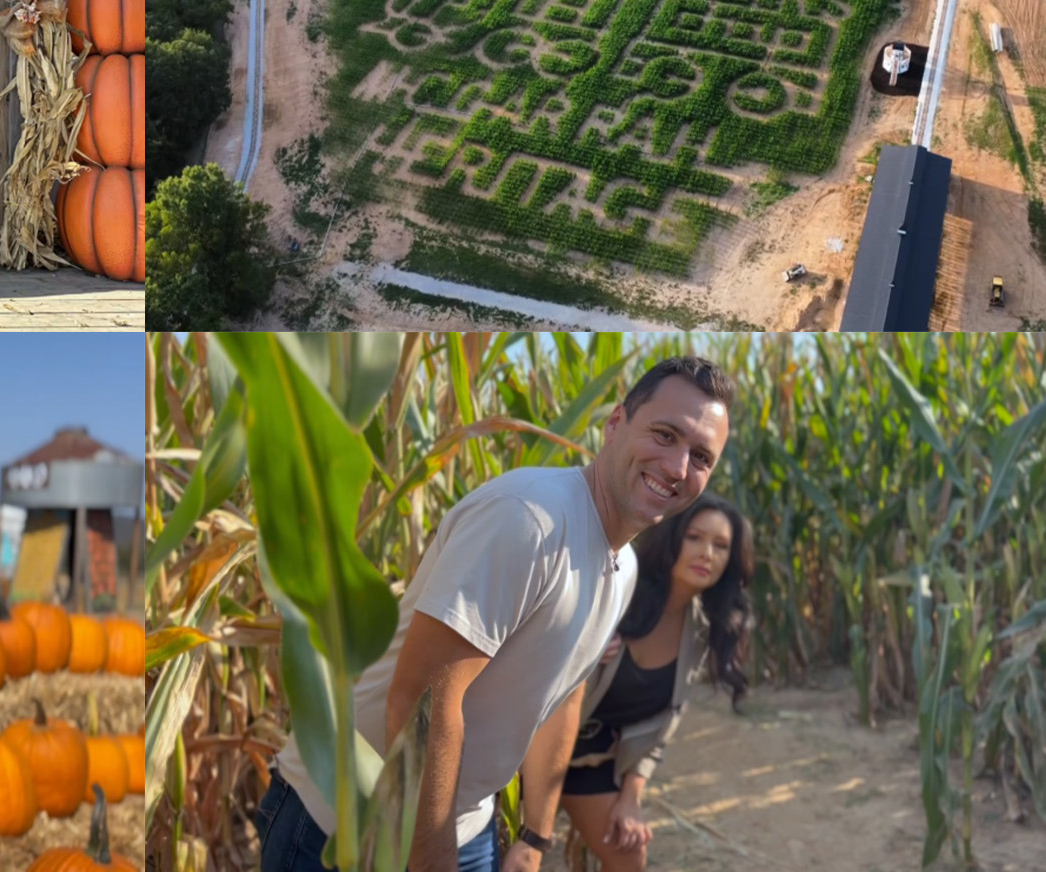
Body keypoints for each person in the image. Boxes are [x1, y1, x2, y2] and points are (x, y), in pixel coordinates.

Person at [257, 357, 735, 872]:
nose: (678, 467)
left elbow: (563, 692)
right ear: (615, 423)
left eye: (701, 457)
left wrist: (535, 834)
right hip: (343, 823)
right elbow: (422, 706)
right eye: (665, 435)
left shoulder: (624, 569)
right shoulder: (528, 521)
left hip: (460, 824)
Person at [539, 493, 754, 872]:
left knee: (629, 855)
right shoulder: (617, 588)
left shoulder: (700, 633)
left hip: (588, 761)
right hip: (536, 747)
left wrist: (630, 798)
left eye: (721, 546)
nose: (707, 553)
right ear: (673, 538)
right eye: (695, 538)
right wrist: (583, 646)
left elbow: (660, 731)